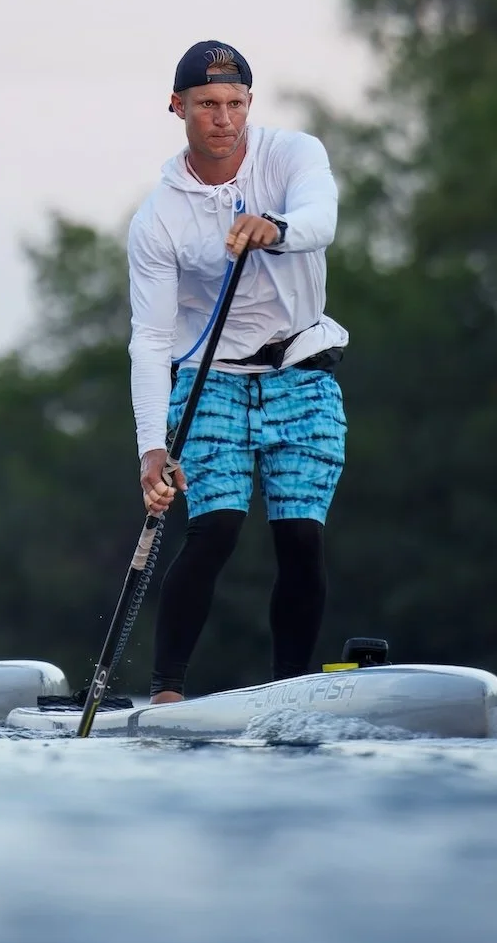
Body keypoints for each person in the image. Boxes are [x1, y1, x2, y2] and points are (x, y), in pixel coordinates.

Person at [128, 42, 348, 702]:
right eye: (206, 106)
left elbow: (322, 220)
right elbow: (150, 337)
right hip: (209, 377)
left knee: (301, 537)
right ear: (178, 108)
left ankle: (288, 694)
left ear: (249, 104)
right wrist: (151, 448)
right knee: (215, 526)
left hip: (302, 369)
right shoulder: (158, 216)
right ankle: (168, 690)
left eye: (234, 104)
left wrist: (272, 228)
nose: (222, 119)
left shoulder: (293, 153)